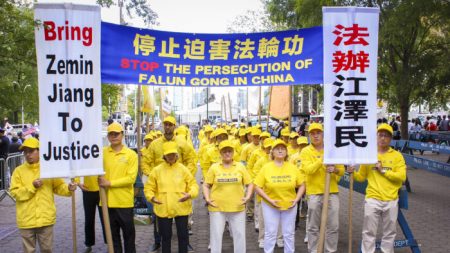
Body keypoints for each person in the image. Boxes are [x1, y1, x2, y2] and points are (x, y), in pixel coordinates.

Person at [9, 137, 77, 253]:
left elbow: (59, 186)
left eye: (31, 151)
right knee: (28, 250)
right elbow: (15, 193)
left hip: (46, 218)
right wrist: (32, 187)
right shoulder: (18, 171)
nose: (28, 154)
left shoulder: (48, 170)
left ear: (39, 151)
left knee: (47, 249)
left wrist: (69, 189)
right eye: (25, 151)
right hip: (26, 219)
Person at [348, 123, 407, 253]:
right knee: (368, 232)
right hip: (372, 199)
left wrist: (384, 171)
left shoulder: (397, 156)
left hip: (391, 200)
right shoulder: (369, 155)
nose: (383, 138)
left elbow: (402, 177)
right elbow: (361, 177)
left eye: (386, 136)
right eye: (380, 135)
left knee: (389, 233)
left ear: (391, 138)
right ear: (376, 137)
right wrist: (352, 173)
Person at [145, 116, 197, 252]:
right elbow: (145, 161)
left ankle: (185, 245)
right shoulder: (155, 144)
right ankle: (157, 243)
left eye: (170, 124)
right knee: (162, 228)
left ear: (174, 126)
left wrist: (186, 176)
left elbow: (192, 159)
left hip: (180, 190)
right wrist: (152, 175)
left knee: (182, 231)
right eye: (165, 124)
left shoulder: (182, 142)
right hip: (160, 187)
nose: (167, 127)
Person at [254, 139, 306, 253]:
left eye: (283, 149)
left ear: (286, 152)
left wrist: (296, 199)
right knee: (270, 232)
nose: (280, 151)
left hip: (289, 205)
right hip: (270, 205)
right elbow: (257, 186)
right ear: (272, 152)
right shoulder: (266, 168)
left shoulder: (292, 167)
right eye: (277, 149)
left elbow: (302, 185)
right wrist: (269, 200)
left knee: (289, 233)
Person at [300, 123, 344, 253]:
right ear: (309, 136)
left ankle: (330, 250)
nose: (315, 136)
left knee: (333, 226)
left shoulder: (332, 149)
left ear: (323, 134)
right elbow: (308, 170)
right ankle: (314, 250)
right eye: (312, 133)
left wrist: (334, 169)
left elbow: (341, 171)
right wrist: (322, 161)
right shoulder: (305, 151)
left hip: (332, 191)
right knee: (313, 226)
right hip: (314, 192)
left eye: (318, 133)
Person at [203, 140, 254, 253]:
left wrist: (248, 197)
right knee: (216, 235)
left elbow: (250, 183)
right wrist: (207, 199)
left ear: (233, 152)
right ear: (220, 153)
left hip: (237, 207)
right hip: (217, 207)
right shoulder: (214, 167)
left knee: (239, 235)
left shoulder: (240, 166)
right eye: (224, 151)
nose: (227, 153)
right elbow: (206, 185)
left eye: (229, 151)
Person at [98, 122, 138, 253]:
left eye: (117, 133)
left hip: (124, 203)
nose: (114, 136)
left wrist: (110, 183)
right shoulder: (101, 153)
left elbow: (131, 179)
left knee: (129, 237)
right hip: (106, 203)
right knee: (112, 239)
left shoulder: (131, 155)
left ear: (123, 135)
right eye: (111, 134)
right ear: (108, 136)